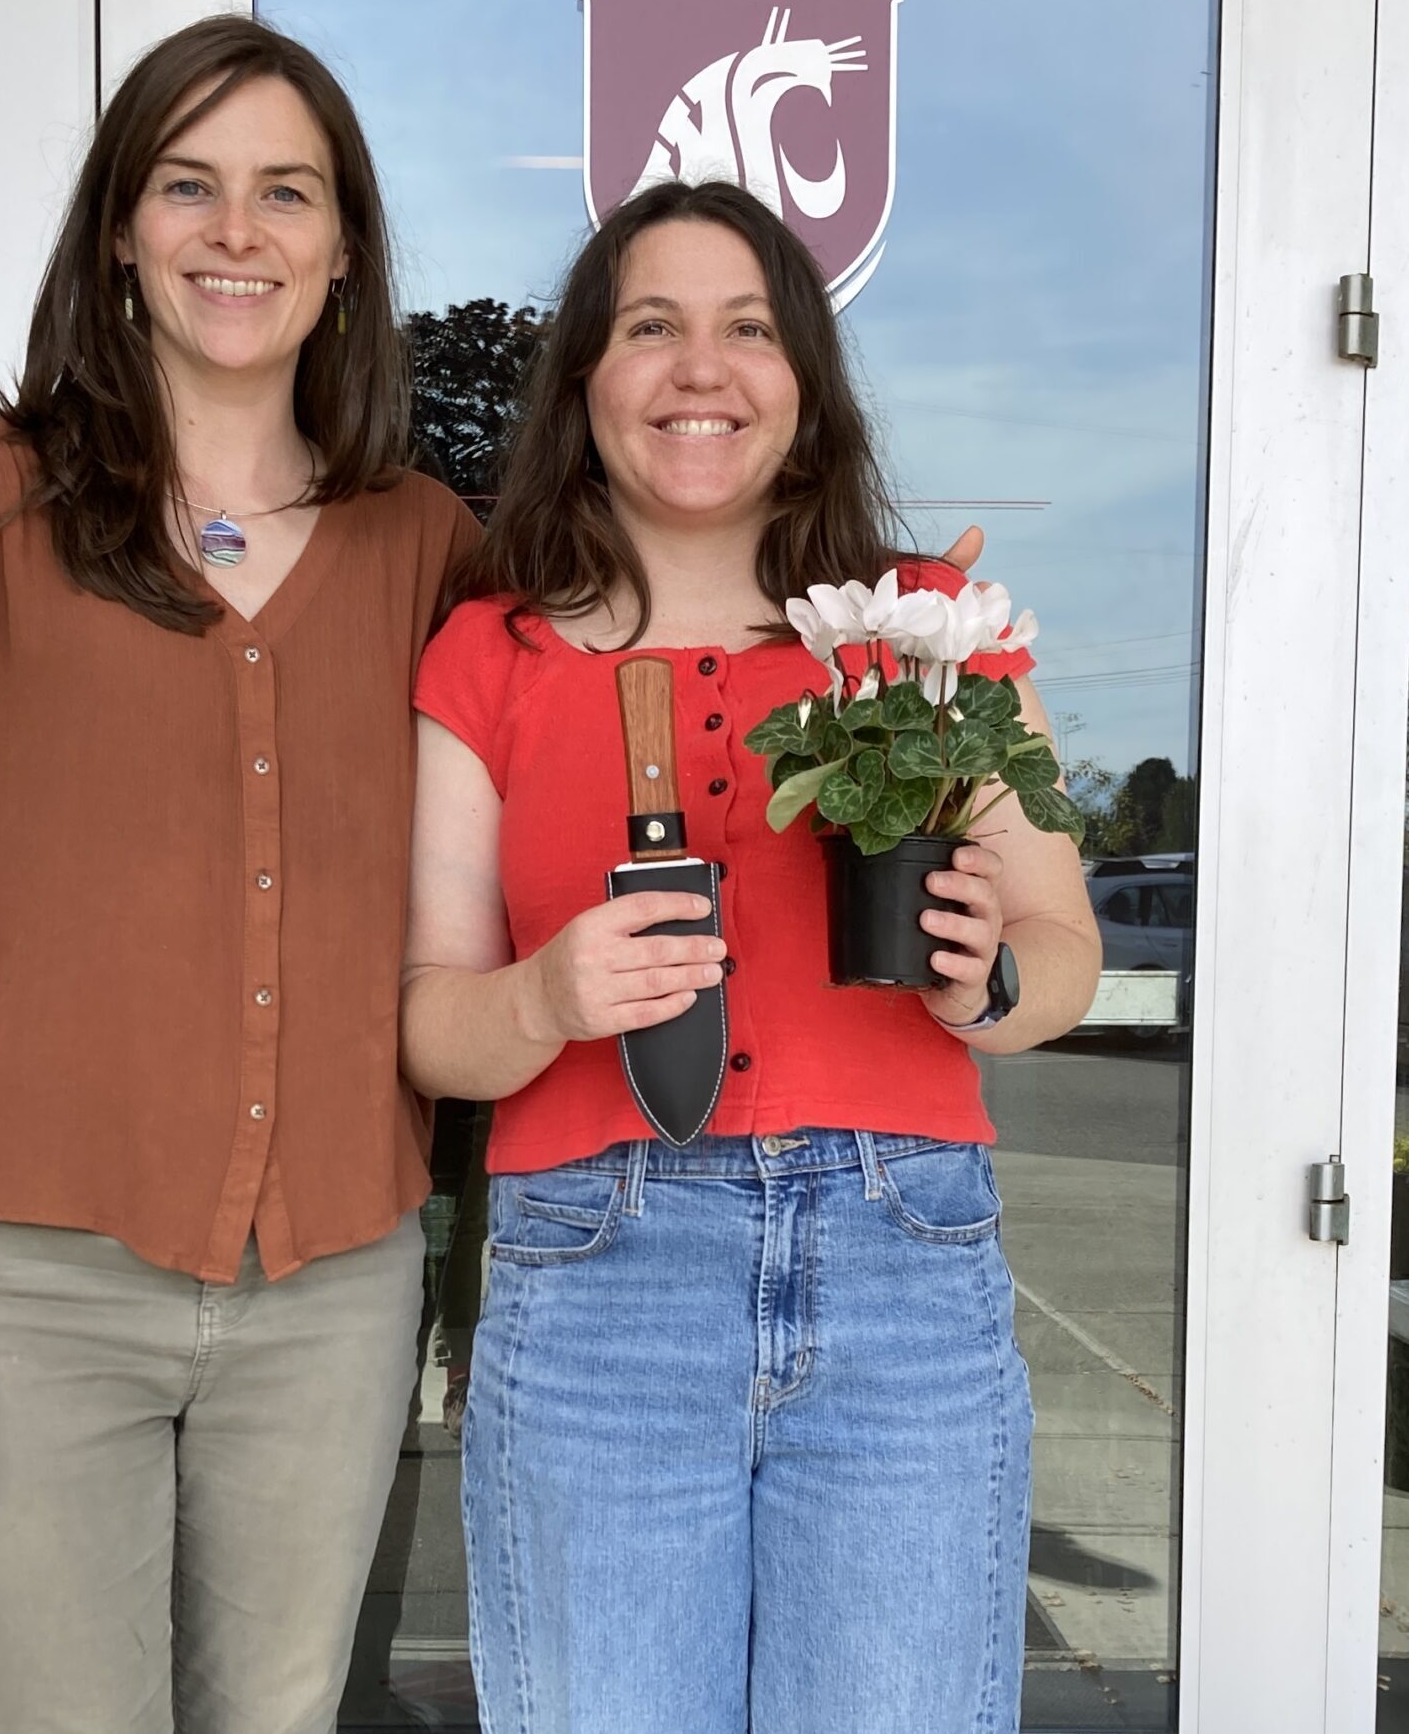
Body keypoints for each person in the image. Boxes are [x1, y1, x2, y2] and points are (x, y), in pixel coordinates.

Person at [0, 16, 478, 1734]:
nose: (235, 231)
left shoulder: (433, 546)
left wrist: (892, 635)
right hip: (25, 1282)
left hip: (332, 1286)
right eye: (189, 185)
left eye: (285, 193)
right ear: (121, 226)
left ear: (343, 247)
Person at [400, 179, 1102, 1734]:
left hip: (899, 1269)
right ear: (585, 380)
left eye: (748, 329)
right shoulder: (489, 652)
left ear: (806, 386)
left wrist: (984, 974)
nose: (700, 368)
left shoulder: (929, 633)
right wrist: (541, 996)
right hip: (597, 1287)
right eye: (651, 327)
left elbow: (1064, 953)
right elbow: (429, 1025)